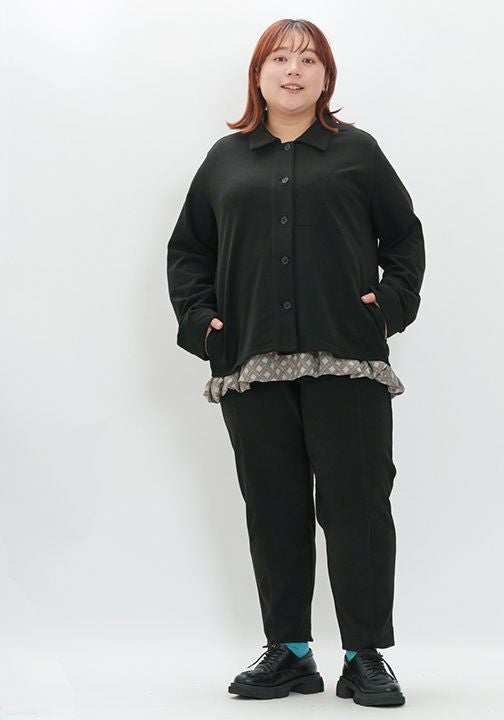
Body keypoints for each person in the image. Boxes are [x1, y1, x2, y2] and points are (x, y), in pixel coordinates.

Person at [167, 18, 425, 707]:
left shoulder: (357, 153)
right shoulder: (225, 160)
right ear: (258, 75)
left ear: (325, 77)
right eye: (279, 58)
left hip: (348, 358)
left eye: (308, 60)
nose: (293, 70)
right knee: (273, 507)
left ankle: (364, 655)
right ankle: (290, 653)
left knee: (357, 506)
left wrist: (388, 306)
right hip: (251, 362)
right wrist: (202, 322)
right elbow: (189, 250)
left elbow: (404, 238)